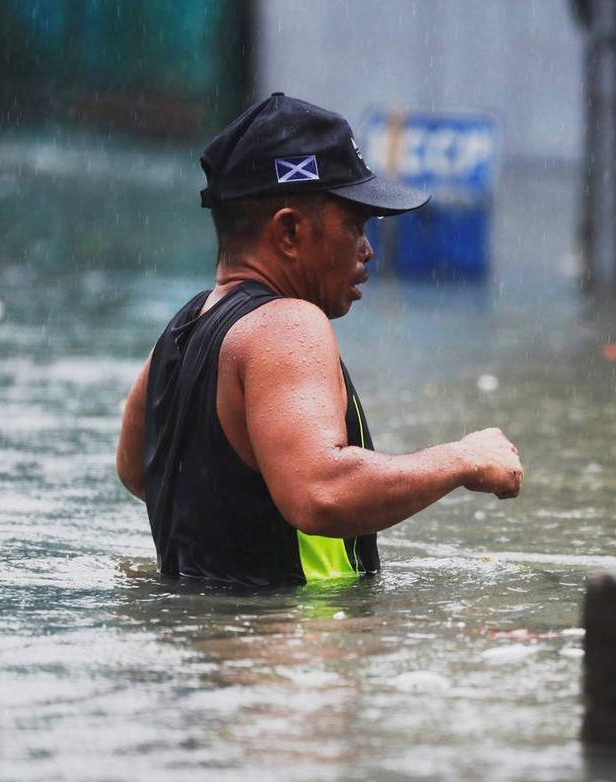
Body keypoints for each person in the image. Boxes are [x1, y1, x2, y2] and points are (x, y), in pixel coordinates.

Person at [115, 92, 523, 587]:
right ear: (288, 232)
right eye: (354, 225)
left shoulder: (180, 331)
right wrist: (462, 459)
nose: (368, 250)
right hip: (289, 651)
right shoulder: (287, 324)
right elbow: (320, 491)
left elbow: (138, 470)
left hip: (200, 644)